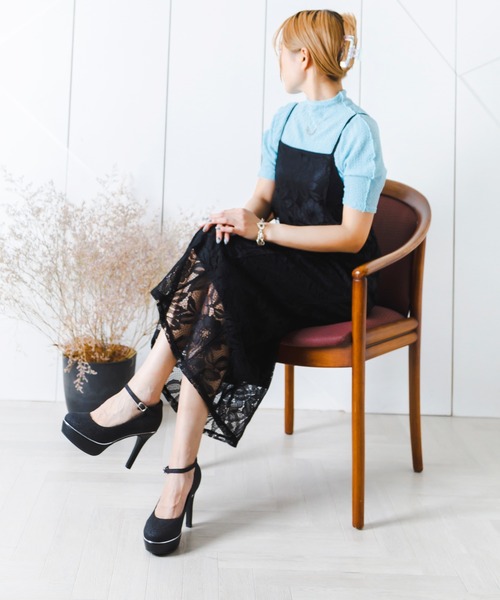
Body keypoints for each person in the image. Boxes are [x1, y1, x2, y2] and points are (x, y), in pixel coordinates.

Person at [61, 9, 386, 556]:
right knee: (216, 258)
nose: (278, 63)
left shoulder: (358, 131)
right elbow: (262, 198)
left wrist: (263, 232)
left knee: (222, 274)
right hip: (279, 262)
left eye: (281, 53)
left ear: (303, 57)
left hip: (333, 280)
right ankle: (177, 469)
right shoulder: (285, 119)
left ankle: (143, 402)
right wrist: (240, 218)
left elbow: (353, 237)